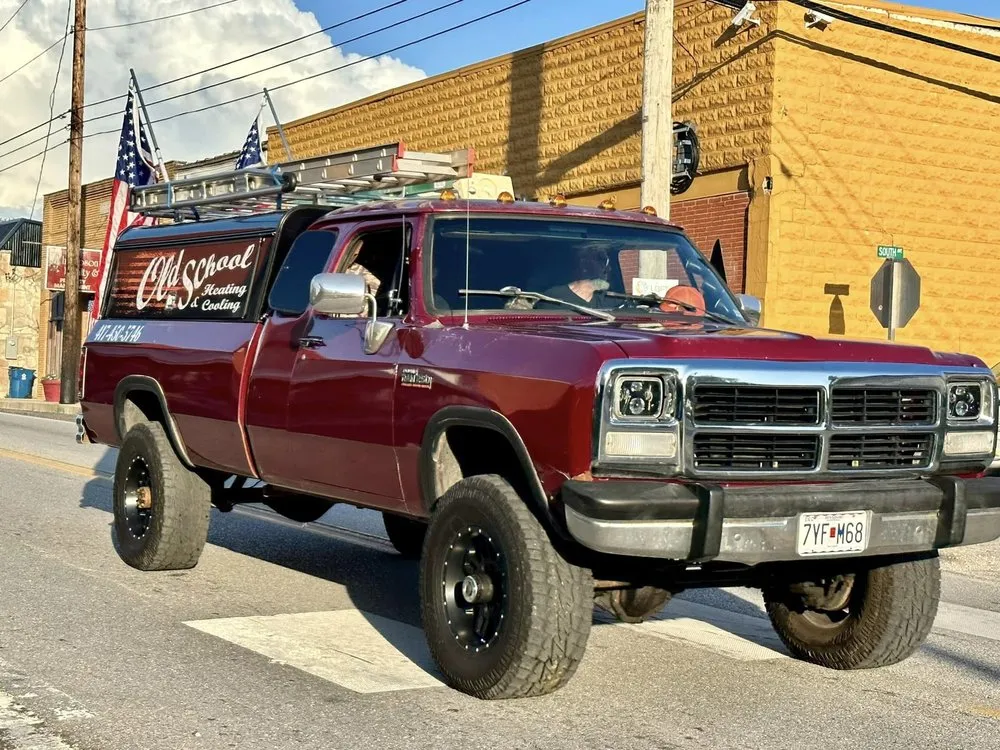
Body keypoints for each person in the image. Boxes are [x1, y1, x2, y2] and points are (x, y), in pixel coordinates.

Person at [539, 242, 612, 308]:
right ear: (583, 264)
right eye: (602, 260)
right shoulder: (554, 299)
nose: (608, 268)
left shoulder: (612, 299)